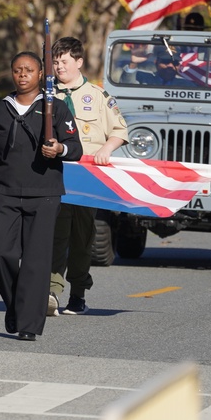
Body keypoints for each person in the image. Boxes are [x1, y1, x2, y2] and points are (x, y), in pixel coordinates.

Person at [0, 52, 82, 341]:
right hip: (4, 194)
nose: (22, 74)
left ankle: (28, 325)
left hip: (44, 195)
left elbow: (76, 147)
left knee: (36, 262)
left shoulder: (55, 108)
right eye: (17, 70)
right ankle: (16, 305)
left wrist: (58, 149)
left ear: (40, 74)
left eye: (29, 70)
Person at [48, 37, 128, 316]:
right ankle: (51, 292)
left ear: (79, 62)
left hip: (86, 177)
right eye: (55, 62)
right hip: (54, 175)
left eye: (64, 61)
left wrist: (107, 148)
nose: (59, 67)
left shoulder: (97, 96)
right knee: (55, 234)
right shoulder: (46, 96)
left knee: (81, 237)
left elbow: (119, 130)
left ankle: (78, 293)